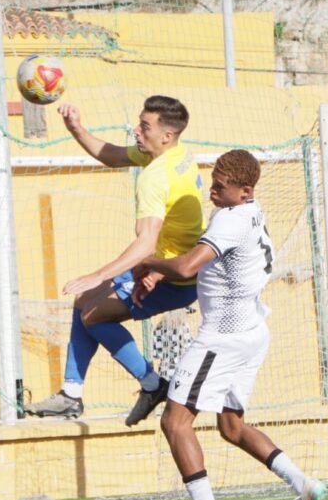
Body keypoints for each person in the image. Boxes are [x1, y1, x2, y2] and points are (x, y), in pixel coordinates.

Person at [133, 149, 326, 500]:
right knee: (231, 426)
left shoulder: (231, 218)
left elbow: (187, 267)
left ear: (245, 190)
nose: (212, 192)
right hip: (252, 330)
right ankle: (303, 484)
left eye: (220, 187)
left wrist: (147, 262)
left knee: (175, 423)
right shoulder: (250, 212)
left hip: (222, 338)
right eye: (213, 184)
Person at [24, 96, 204, 426]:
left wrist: (99, 275)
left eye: (144, 126)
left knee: (93, 315)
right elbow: (113, 155)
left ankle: (152, 384)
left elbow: (146, 241)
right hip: (167, 267)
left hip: (174, 278)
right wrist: (76, 129)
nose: (136, 130)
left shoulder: (155, 177)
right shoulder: (176, 155)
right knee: (84, 301)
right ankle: (71, 394)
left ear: (166, 135)